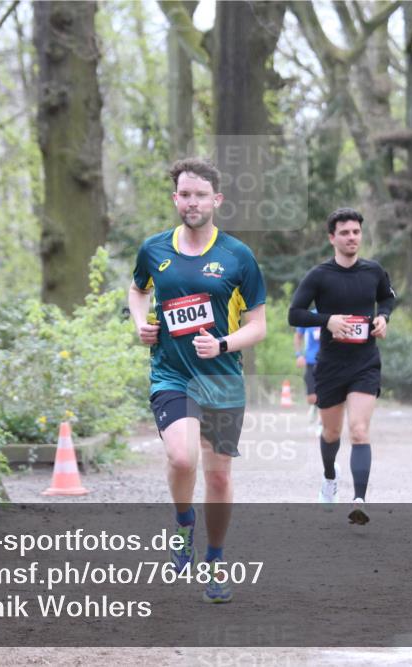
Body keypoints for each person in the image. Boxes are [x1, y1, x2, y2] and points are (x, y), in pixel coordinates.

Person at [127, 157, 267, 603]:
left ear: (216, 200)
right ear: (175, 198)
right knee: (183, 459)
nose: (192, 202)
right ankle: (184, 521)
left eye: (200, 195)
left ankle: (217, 560)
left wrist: (224, 344)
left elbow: (259, 325)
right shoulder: (154, 250)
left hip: (221, 378)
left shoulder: (237, 256)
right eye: (185, 194)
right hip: (171, 373)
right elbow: (138, 290)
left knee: (220, 478)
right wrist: (139, 323)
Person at [288, 208, 396, 525]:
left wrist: (383, 318)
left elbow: (388, 298)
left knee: (359, 431)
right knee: (332, 432)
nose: (352, 238)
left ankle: (359, 499)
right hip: (331, 364)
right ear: (332, 237)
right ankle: (329, 477)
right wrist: (328, 321)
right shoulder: (319, 276)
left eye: (356, 232)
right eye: (345, 232)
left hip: (365, 362)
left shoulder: (374, 271)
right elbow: (294, 314)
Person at [294, 312, 321, 430]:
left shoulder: (334, 313)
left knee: (326, 393)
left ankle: (322, 420)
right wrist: (299, 355)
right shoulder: (309, 316)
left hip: (328, 361)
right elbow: (298, 336)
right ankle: (315, 406)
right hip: (311, 361)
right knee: (311, 397)